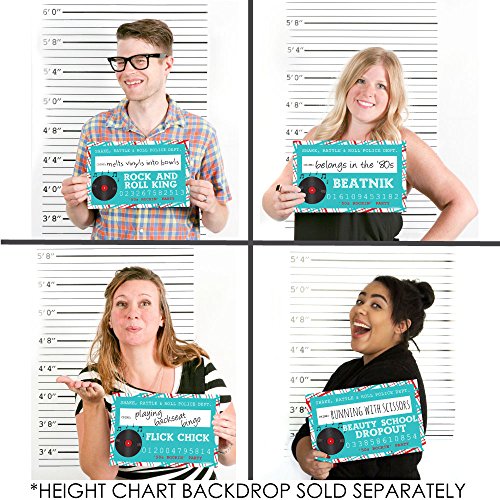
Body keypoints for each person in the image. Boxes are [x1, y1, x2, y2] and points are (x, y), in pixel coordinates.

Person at [262, 47, 477, 241]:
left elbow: (463, 205)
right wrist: (277, 202)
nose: (367, 92)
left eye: (381, 86)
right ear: (347, 84)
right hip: (313, 264)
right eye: (360, 81)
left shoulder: (400, 143)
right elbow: (273, 195)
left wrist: (418, 256)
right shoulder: (318, 136)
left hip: (373, 267)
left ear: (392, 96)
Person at [57, 267, 236, 480]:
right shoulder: (93, 381)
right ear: (109, 320)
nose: (132, 313)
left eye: (145, 303)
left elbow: (231, 458)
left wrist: (224, 445)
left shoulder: (199, 369)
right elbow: (100, 474)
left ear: (162, 317)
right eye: (122, 304)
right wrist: (94, 405)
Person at [61, 19, 231, 239]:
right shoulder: (94, 130)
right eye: (121, 61)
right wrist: (73, 201)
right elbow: (84, 221)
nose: (127, 71)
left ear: (167, 64)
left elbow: (218, 224)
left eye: (140, 61)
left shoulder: (202, 132)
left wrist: (211, 205)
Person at [291, 276, 434, 479]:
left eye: (376, 305)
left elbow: (356, 470)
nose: (360, 309)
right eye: (360, 301)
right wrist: (307, 457)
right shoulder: (348, 370)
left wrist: (315, 458)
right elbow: (307, 431)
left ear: (401, 326)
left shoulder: (395, 375)